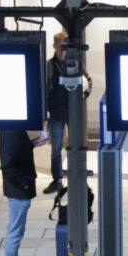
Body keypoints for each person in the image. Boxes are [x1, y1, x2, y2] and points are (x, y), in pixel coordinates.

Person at [0, 125, 43, 256]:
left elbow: (17, 151)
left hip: (20, 188)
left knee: (17, 230)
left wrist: (32, 143)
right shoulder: (10, 130)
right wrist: (24, 184)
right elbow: (7, 165)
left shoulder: (13, 127)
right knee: (15, 231)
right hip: (18, 190)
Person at [43, 32, 77, 193]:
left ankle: (76, 177)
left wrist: (84, 93)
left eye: (66, 45)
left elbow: (86, 80)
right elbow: (44, 90)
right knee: (56, 148)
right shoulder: (50, 66)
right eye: (61, 45)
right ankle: (57, 180)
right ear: (55, 46)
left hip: (73, 111)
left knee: (76, 146)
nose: (64, 49)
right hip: (56, 112)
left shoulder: (74, 63)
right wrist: (44, 116)